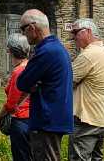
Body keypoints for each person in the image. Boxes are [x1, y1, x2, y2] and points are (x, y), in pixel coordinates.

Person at [14, 10, 73, 161]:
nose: (23, 34)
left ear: (32, 28)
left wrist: (34, 84)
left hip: (47, 120)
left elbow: (22, 82)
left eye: (22, 29)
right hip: (54, 118)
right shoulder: (56, 48)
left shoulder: (46, 51)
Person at [67, 19, 104, 161]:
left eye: (76, 32)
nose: (73, 37)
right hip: (101, 120)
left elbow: (66, 81)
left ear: (88, 32)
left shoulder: (89, 55)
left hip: (86, 121)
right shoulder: (103, 52)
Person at [0, 33, 32, 161]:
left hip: (21, 120)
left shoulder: (18, 71)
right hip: (35, 119)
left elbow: (11, 104)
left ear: (10, 51)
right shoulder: (32, 67)